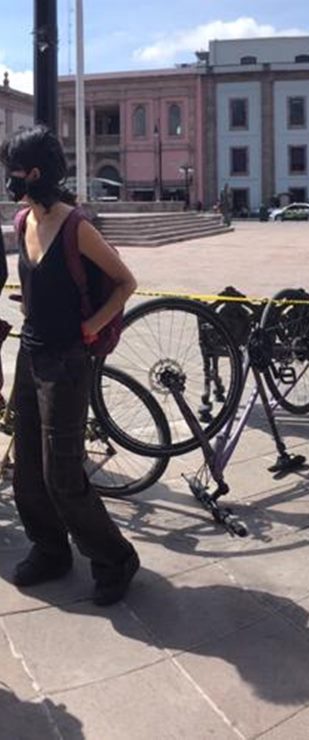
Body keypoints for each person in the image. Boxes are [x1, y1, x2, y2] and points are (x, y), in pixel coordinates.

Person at [1, 126, 140, 605]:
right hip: (31, 353)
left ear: (37, 173)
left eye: (14, 170)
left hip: (67, 362)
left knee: (63, 474)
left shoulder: (76, 226)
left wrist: (89, 328)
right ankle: (50, 548)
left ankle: (115, 559)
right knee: (27, 469)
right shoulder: (23, 223)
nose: (9, 179)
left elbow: (126, 282)